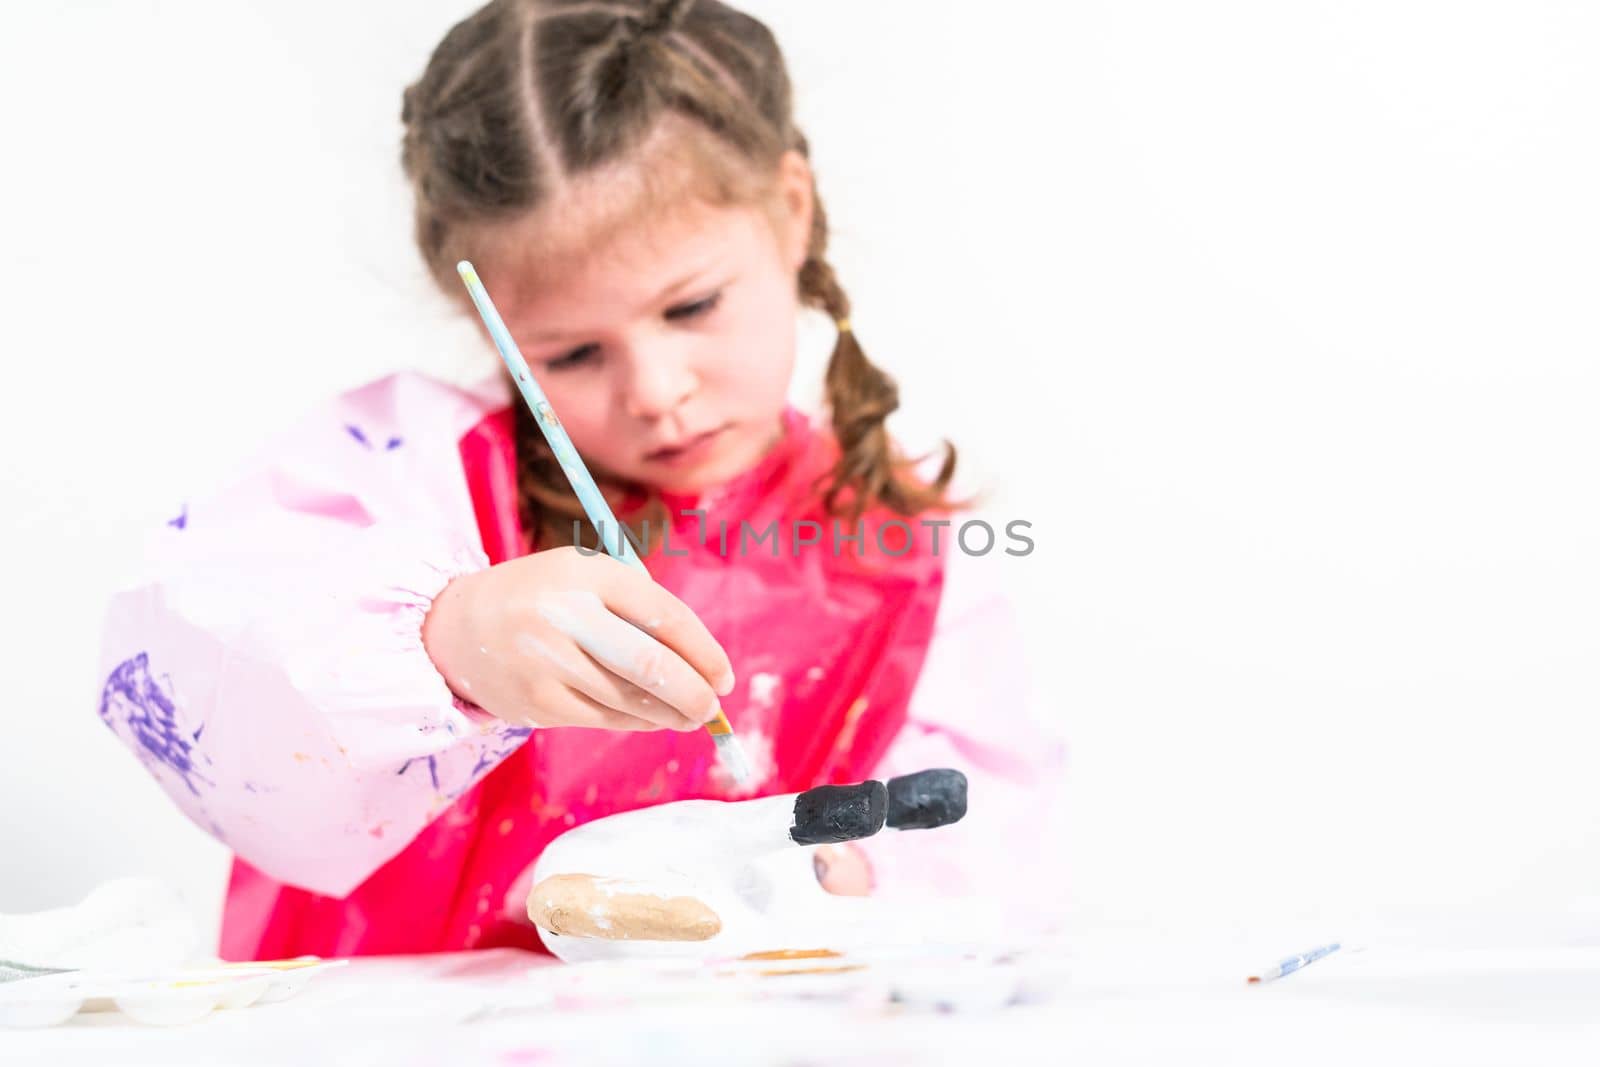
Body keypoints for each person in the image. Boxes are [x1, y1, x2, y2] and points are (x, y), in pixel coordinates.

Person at [98, 0, 1064, 961]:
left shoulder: (904, 556)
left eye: (691, 306)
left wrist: (850, 884)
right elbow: (194, 693)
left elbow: (986, 871)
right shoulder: (404, 471)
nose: (655, 392)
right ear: (491, 324)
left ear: (794, 209)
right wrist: (444, 636)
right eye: (570, 354)